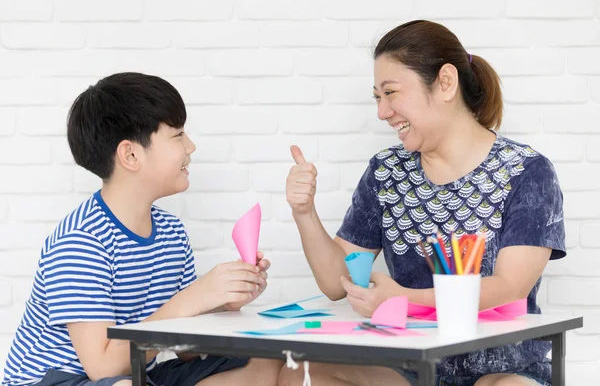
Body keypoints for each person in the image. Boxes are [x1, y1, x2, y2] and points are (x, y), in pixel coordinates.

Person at [281, 20, 565, 386]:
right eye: (377, 97)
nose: (382, 112)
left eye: (391, 92)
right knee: (300, 374)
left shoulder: (527, 171)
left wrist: (406, 299)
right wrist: (304, 213)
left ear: (446, 83)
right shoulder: (387, 172)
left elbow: (511, 286)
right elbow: (340, 282)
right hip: (411, 369)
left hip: (503, 369)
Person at [2, 73, 282, 386]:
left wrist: (221, 301)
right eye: (177, 135)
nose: (191, 146)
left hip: (135, 373)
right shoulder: (80, 243)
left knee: (265, 366)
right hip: (61, 380)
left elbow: (186, 349)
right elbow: (104, 368)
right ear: (131, 155)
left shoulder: (172, 232)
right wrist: (194, 297)